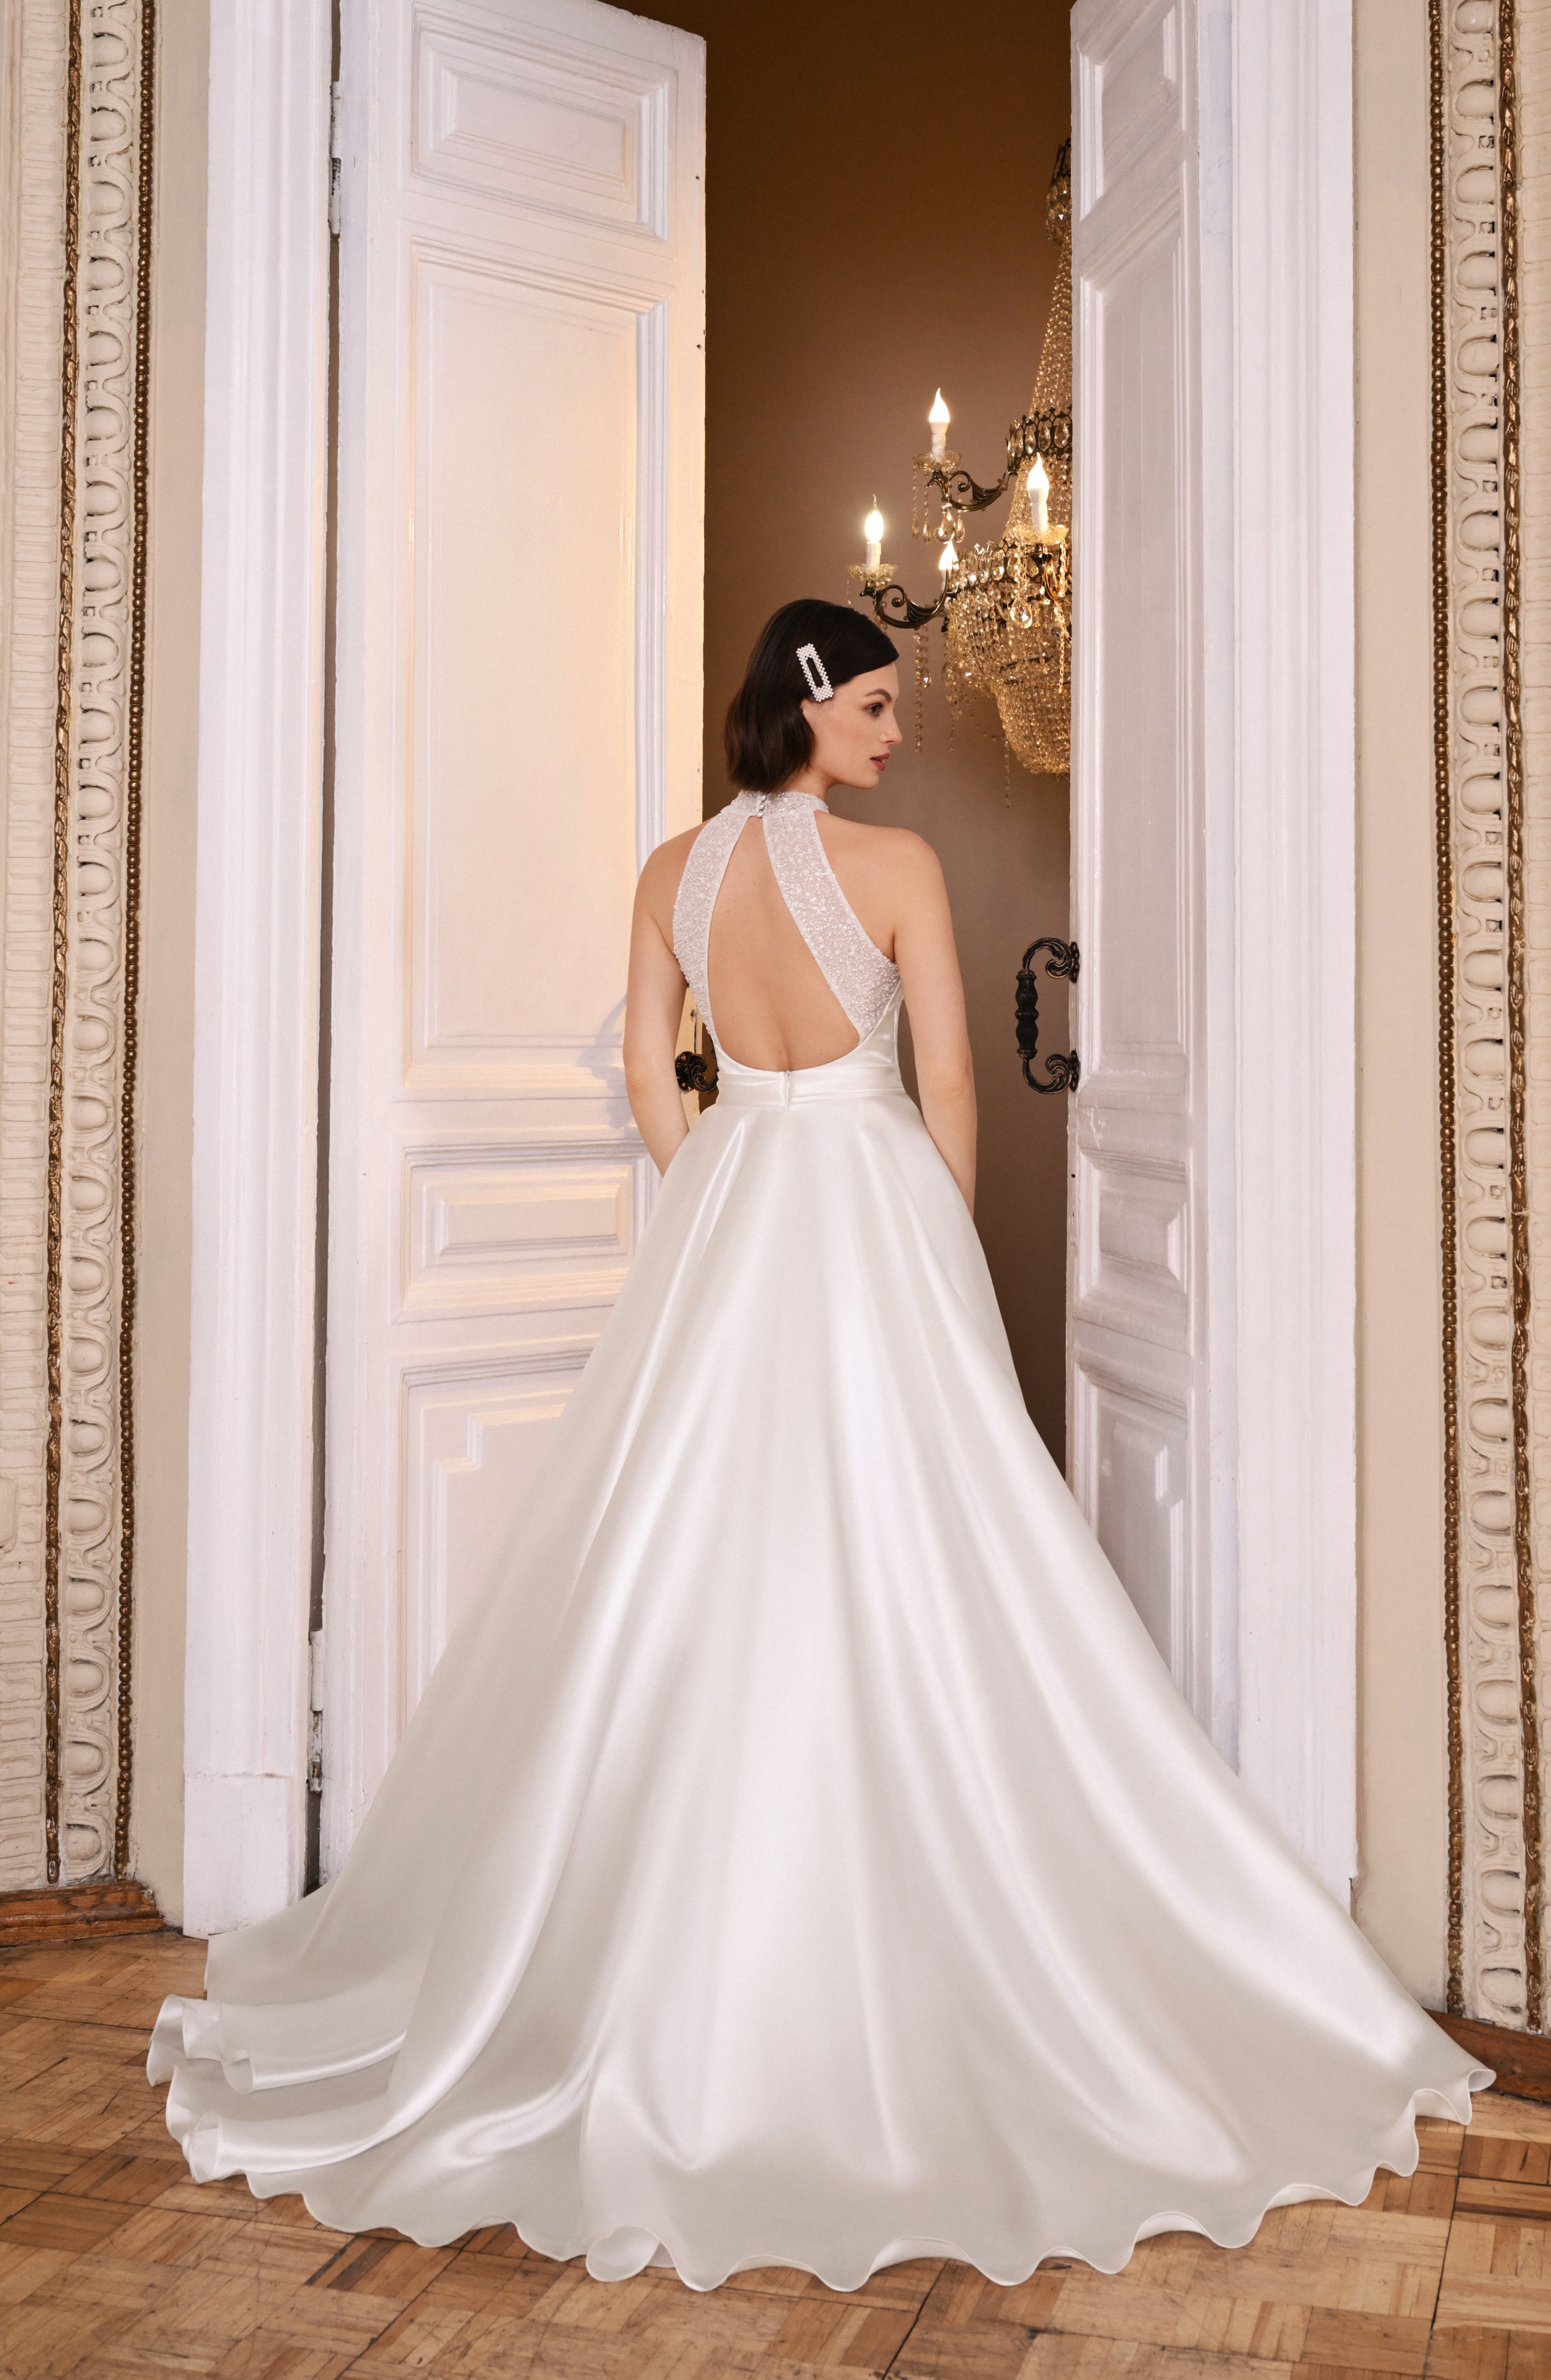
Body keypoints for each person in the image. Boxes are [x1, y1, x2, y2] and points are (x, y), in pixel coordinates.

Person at [149, 597, 1488, 2293]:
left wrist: (711, 1178)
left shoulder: (672, 870)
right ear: (805, 704)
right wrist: (941, 1249)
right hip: (869, 1202)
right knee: (922, 1559)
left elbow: (652, 1065)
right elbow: (953, 1088)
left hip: (736, 1207)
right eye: (873, 704)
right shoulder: (898, 868)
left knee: (689, 1565)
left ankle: (663, 1961)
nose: (896, 732)